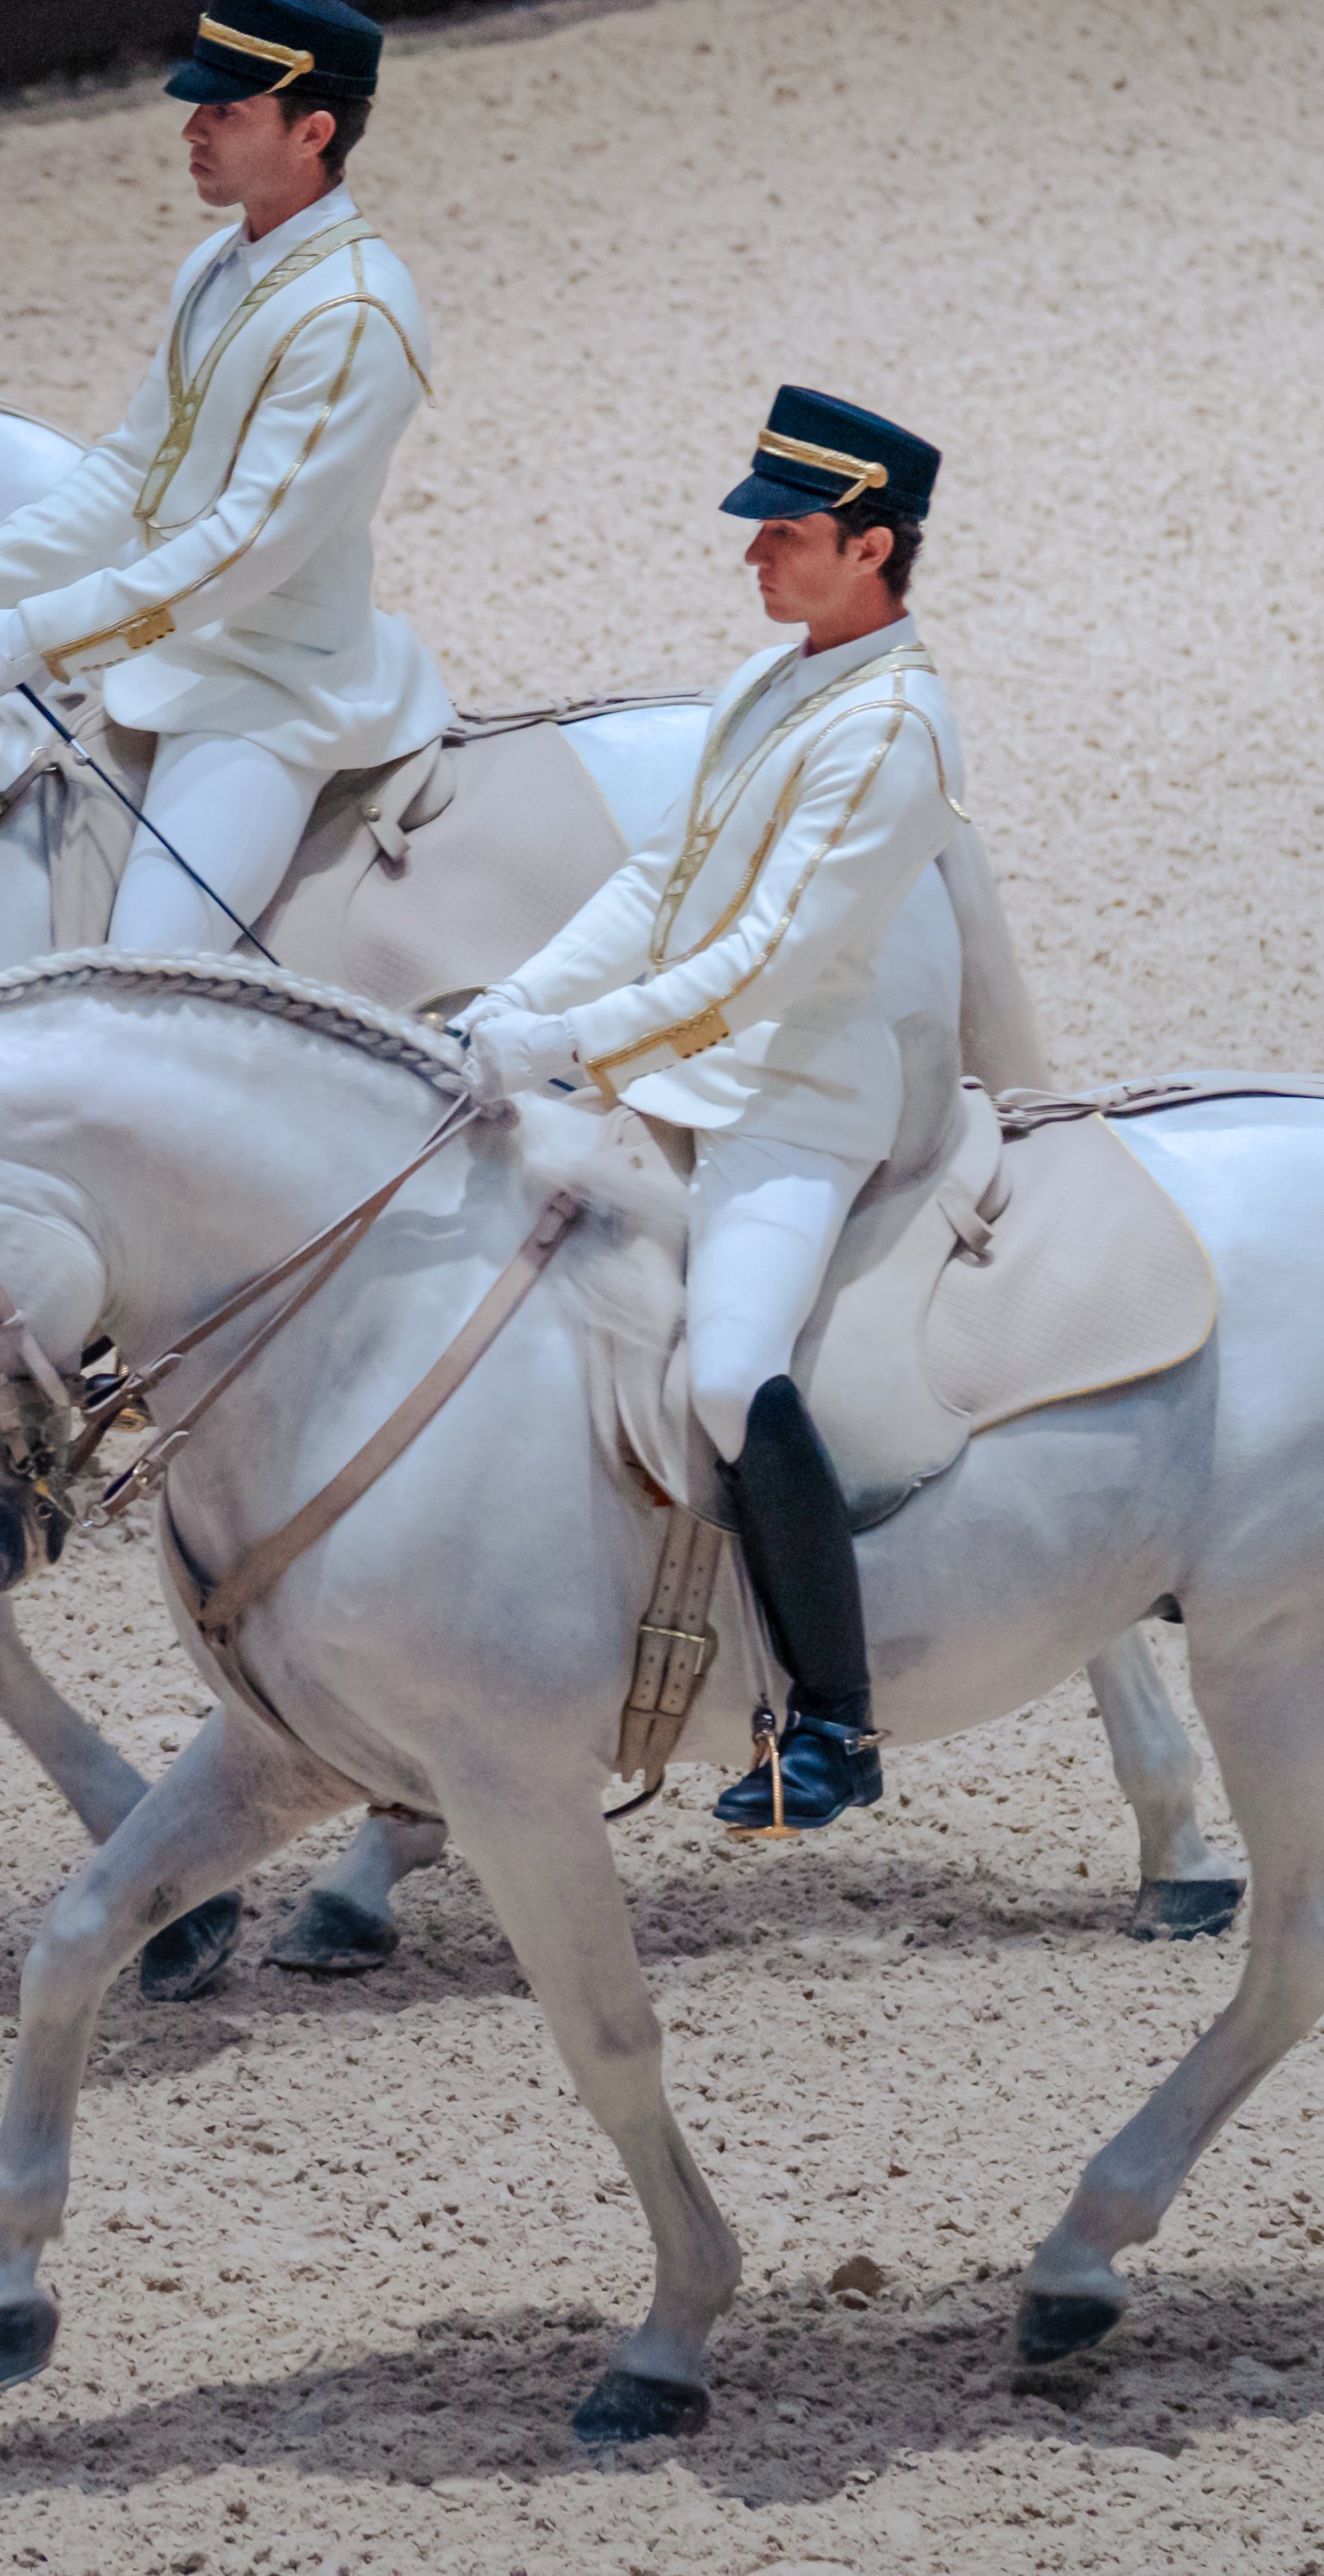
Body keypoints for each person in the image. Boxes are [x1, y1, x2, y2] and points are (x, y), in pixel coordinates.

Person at [453, 388, 958, 1832]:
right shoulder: (771, 678)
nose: (754, 556)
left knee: (729, 1375)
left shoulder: (893, 733)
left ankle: (835, 1727)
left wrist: (563, 1047)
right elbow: (657, 887)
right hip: (668, 1074)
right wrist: (513, 1000)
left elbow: (761, 971)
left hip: (789, 1104)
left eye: (785, 535)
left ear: (871, 547)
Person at [0, 0, 451, 946]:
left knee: (142, 971)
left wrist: (38, 635)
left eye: (224, 112)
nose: (190, 130)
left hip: (267, 694)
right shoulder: (219, 265)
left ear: (313, 133)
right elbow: (129, 471)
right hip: (161, 649)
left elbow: (244, 549)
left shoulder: (352, 315)